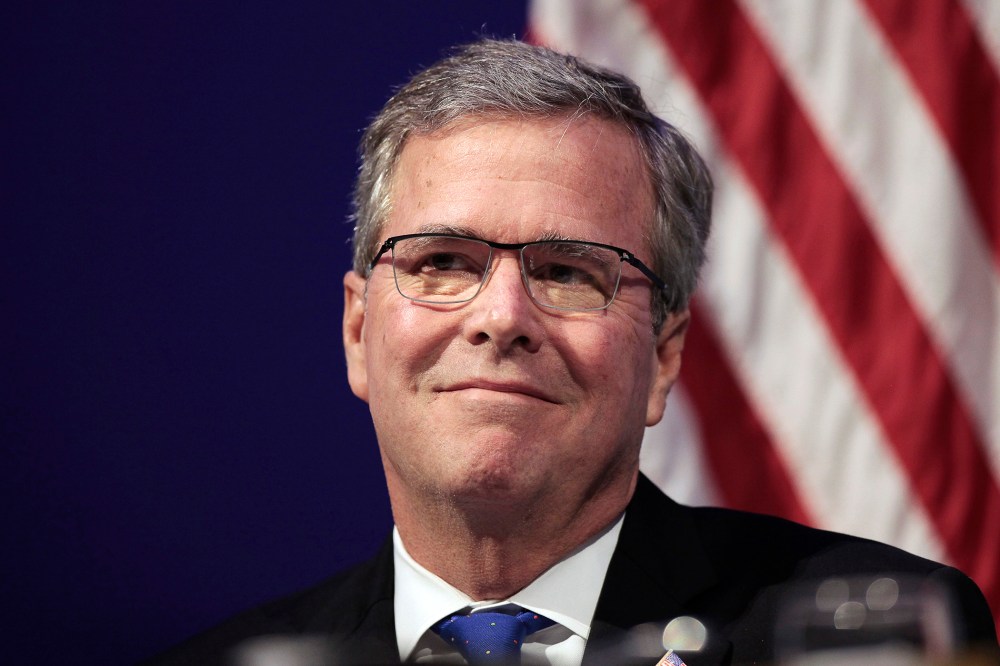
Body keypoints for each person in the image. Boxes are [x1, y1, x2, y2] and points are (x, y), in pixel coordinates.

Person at [146, 38, 997, 666]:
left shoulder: (873, 641)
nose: (501, 316)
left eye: (567, 271)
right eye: (443, 261)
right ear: (360, 333)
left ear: (664, 359)